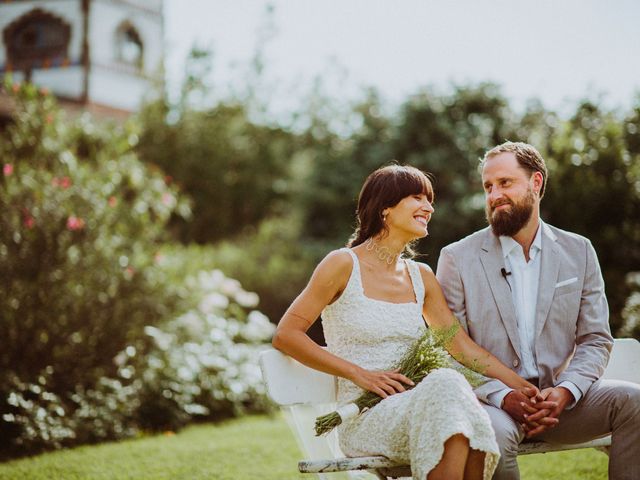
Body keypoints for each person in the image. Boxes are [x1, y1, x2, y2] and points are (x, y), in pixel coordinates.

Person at [273, 165, 548, 480]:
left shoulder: (422, 277)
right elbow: (286, 334)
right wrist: (360, 375)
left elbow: (460, 346)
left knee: (453, 398)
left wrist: (522, 385)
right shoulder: (341, 265)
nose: (429, 208)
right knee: (449, 392)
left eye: (429, 200)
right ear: (385, 209)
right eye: (417, 198)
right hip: (367, 417)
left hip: (425, 407)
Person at [436, 141, 640, 480]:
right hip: (493, 405)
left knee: (634, 402)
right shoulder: (457, 258)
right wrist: (503, 396)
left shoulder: (580, 251)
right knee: (493, 438)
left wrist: (565, 391)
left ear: (536, 183)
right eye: (488, 186)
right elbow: (449, 350)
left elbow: (595, 339)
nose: (494, 195)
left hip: (563, 406)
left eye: (505, 183)